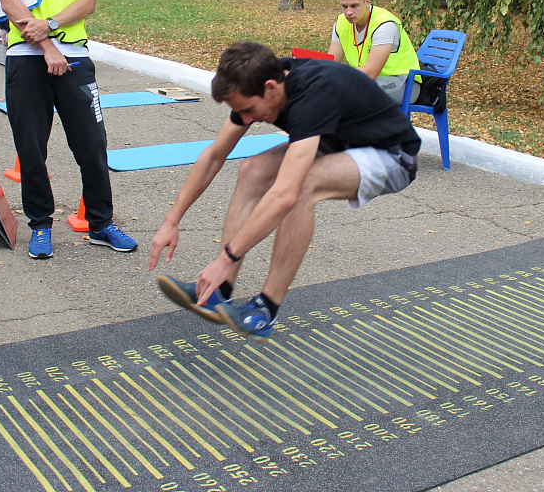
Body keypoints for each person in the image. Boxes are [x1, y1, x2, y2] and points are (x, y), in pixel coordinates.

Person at [149, 42, 420, 340]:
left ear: (271, 88)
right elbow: (214, 155)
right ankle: (219, 291)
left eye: (249, 110)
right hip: (338, 142)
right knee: (252, 170)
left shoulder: (313, 95)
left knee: (302, 185)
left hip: (392, 155)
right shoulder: (257, 80)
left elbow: (284, 196)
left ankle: (266, 309)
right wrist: (172, 221)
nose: (246, 120)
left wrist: (225, 258)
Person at [0, 0, 138, 259]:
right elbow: (10, 2)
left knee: (92, 145)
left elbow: (87, 2)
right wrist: (46, 46)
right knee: (31, 148)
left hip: (74, 56)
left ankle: (101, 223)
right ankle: (40, 225)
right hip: (26, 58)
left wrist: (52, 26)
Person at [325, 0, 421, 104]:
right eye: (344, 6)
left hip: (403, 83)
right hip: (366, 80)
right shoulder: (341, 23)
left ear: (367, 2)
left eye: (354, 6)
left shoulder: (384, 24)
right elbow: (330, 62)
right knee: (325, 87)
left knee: (350, 90)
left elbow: (371, 73)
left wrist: (336, 75)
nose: (348, 12)